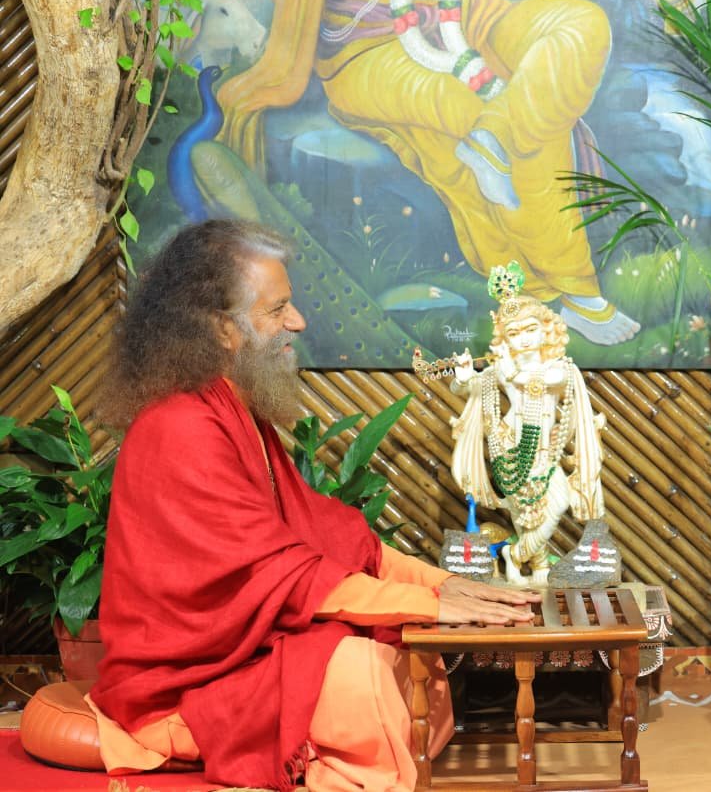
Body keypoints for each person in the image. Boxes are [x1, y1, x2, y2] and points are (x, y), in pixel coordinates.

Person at [88, 219, 540, 792]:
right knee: (358, 670)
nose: (298, 322)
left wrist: (444, 585)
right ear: (222, 329)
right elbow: (284, 577)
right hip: (184, 683)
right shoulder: (180, 429)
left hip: (245, 651)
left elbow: (330, 541)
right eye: (278, 309)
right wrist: (429, 604)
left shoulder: (235, 411)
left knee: (398, 650)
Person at [215, 0, 640, 345]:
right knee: (481, 107)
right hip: (371, 45)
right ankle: (574, 290)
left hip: (475, 26)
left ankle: (493, 136)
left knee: (582, 24)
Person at [449, 262, 607, 586]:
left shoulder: (558, 367)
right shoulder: (499, 370)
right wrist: (463, 377)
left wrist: (510, 370)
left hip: (546, 449)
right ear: (504, 338)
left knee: (558, 502)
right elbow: (469, 388)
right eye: (514, 333)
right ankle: (538, 568)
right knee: (524, 513)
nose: (523, 339)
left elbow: (541, 380)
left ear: (546, 328)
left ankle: (515, 554)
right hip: (510, 447)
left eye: (530, 329)